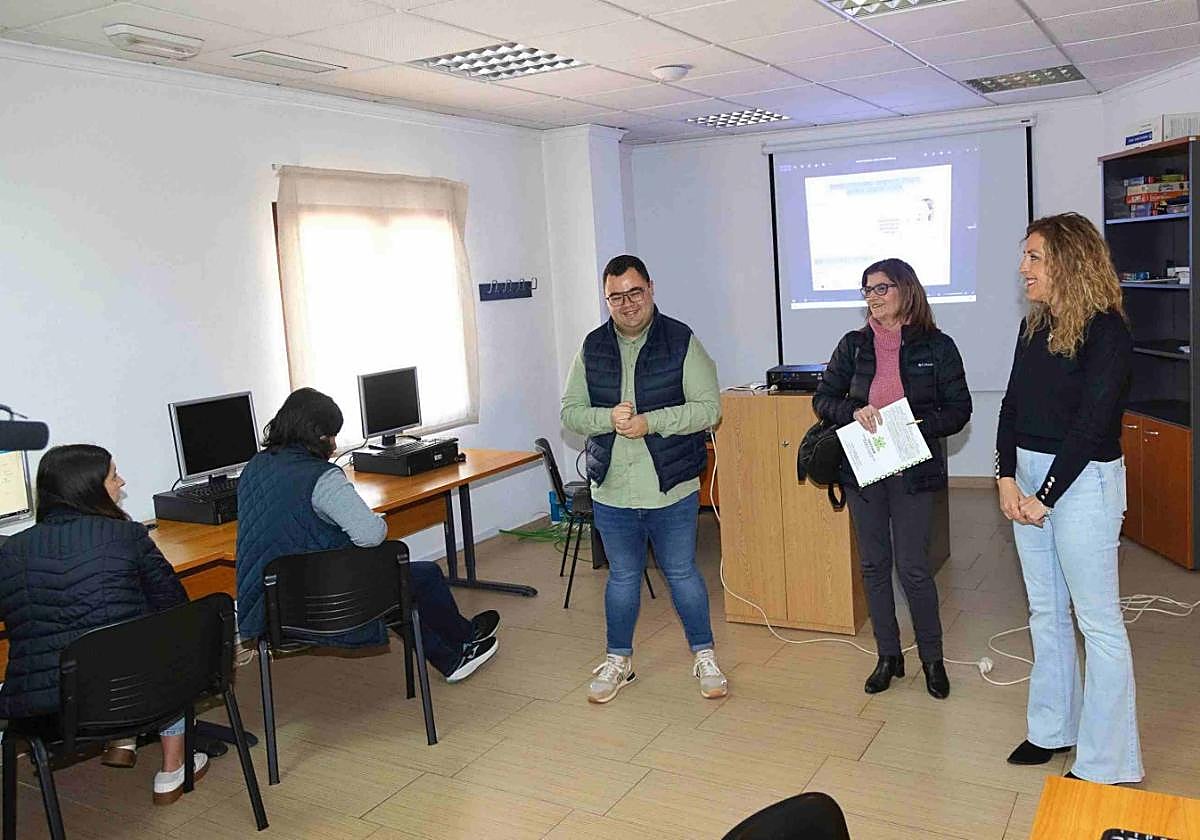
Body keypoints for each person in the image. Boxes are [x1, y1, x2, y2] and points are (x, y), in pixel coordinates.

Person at [997, 212, 1142, 784]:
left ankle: (1108, 762)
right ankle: (1054, 729)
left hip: (1083, 481)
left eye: (1033, 256)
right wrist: (1006, 476)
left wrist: (1046, 496)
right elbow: (1010, 405)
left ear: (1068, 260)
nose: (1023, 267)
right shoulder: (1033, 328)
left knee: (1098, 622)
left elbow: (1091, 424)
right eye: (1024, 255)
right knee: (1046, 611)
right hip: (1030, 478)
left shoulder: (1108, 331)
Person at [235, 387, 498, 683]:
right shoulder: (321, 477)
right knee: (419, 576)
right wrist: (373, 519)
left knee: (395, 581)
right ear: (314, 434)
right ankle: (458, 649)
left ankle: (460, 643)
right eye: (330, 436)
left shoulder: (254, 467)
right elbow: (371, 535)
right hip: (326, 603)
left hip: (268, 605)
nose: (333, 445)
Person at [0, 444, 206, 805]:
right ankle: (172, 769)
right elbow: (175, 607)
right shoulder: (127, 537)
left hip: (47, 710)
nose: (121, 481)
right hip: (134, 695)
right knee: (168, 637)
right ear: (89, 488)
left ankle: (123, 738)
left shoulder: (11, 552)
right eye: (113, 475)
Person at [561, 254, 725, 704]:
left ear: (651, 288)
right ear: (606, 298)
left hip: (670, 485)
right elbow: (570, 411)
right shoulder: (592, 346)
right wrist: (605, 417)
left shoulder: (681, 340)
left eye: (635, 292)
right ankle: (619, 661)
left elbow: (709, 408)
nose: (628, 303)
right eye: (617, 296)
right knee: (622, 579)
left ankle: (704, 654)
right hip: (612, 487)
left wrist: (653, 422)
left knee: (682, 573)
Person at [813, 258, 971, 699]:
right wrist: (852, 410)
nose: (873, 297)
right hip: (864, 469)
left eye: (881, 288)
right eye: (867, 290)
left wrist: (917, 425)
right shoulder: (854, 346)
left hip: (912, 471)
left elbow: (960, 411)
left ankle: (932, 659)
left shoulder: (937, 347)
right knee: (873, 565)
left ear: (906, 290)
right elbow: (824, 399)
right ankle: (888, 655)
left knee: (914, 569)